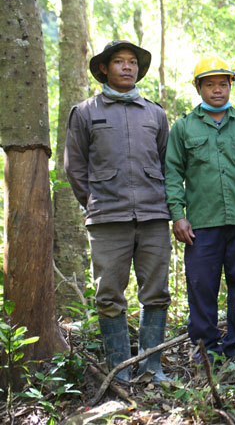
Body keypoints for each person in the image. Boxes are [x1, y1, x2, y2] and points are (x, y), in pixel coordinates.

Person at [65, 40, 171, 382]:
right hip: (107, 220)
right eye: (119, 62)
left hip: (154, 217)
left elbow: (167, 163)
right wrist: (97, 202)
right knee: (109, 295)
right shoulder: (85, 112)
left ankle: (152, 367)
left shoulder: (155, 113)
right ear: (104, 69)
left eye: (132, 62)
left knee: (156, 292)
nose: (127, 67)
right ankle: (119, 373)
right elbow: (75, 168)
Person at [165, 56, 235, 364]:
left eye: (223, 84)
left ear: (230, 86)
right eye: (210, 84)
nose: (217, 90)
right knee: (201, 285)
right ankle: (206, 348)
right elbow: (172, 173)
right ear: (198, 88)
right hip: (201, 223)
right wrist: (178, 215)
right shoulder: (183, 128)